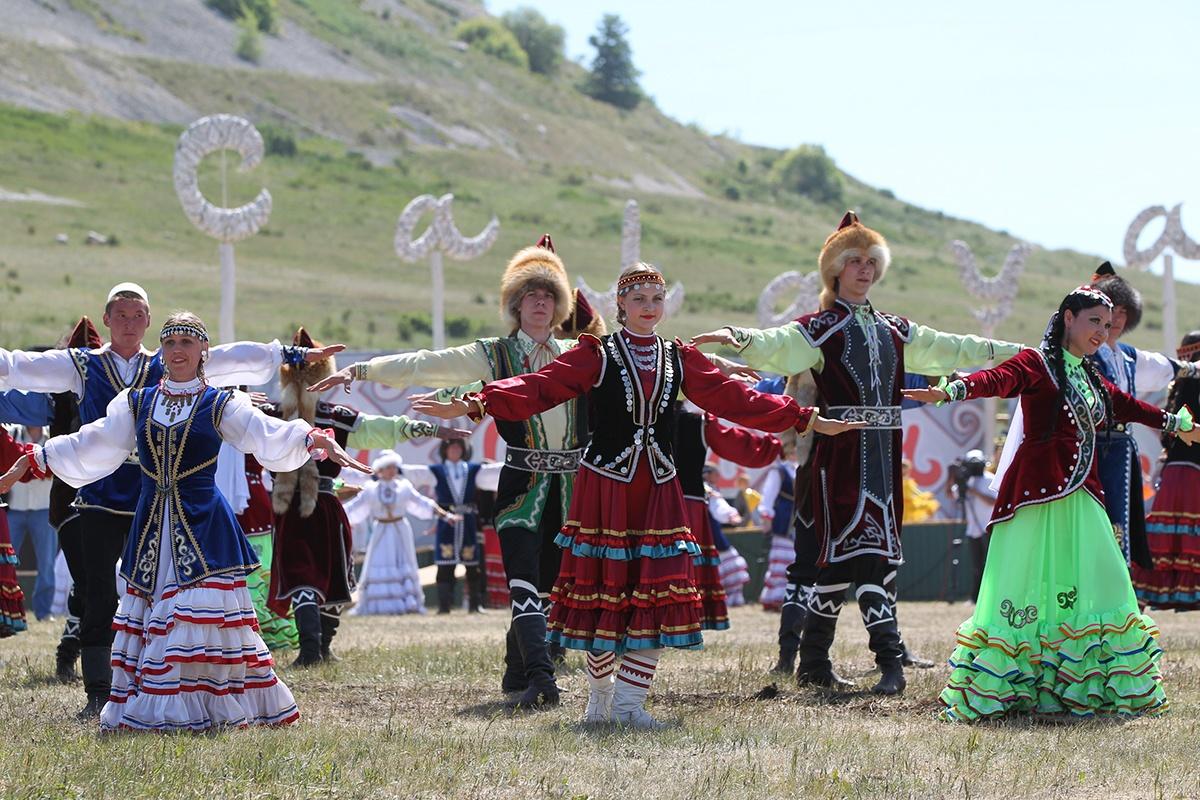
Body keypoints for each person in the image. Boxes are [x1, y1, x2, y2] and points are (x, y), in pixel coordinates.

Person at [414, 262, 862, 727]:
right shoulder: (597, 353)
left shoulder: (679, 357)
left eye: (657, 299)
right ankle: (600, 701)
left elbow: (734, 398)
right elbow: (541, 387)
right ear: (621, 305)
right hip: (604, 486)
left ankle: (628, 704)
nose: (649, 307)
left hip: (659, 491)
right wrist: (478, 401)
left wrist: (803, 418)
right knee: (602, 592)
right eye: (639, 299)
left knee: (654, 591)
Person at [693, 212, 1024, 695]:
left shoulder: (896, 329)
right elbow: (779, 344)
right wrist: (739, 337)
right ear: (835, 270)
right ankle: (889, 664)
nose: (864, 269)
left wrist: (1012, 350)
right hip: (837, 457)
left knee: (855, 561)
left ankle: (813, 662)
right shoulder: (820, 328)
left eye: (871, 261)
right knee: (858, 557)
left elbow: (949, 346)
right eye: (854, 261)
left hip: (884, 457)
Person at [0, 312, 369, 731]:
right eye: (170, 343)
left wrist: (310, 437)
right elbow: (96, 441)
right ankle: (164, 704)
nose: (177, 351)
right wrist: (37, 457)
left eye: (187, 343)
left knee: (199, 616)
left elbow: (261, 431)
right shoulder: (137, 403)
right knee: (161, 615)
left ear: (203, 351)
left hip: (204, 526)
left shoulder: (220, 402)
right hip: (153, 527)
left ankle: (209, 704)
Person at [307, 237, 590, 707]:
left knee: (546, 587)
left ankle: (515, 674)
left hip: (571, 487)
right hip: (522, 484)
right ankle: (543, 680)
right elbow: (428, 363)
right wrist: (360, 372)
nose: (540, 303)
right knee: (523, 577)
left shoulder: (578, 355)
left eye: (548, 296)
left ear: (559, 306)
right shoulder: (494, 354)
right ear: (515, 305)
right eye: (530, 296)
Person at [904, 286, 1200, 720]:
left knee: (1105, 576)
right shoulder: (1036, 363)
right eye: (1093, 321)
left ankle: (1081, 685)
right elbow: (994, 379)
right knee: (1025, 585)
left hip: (1081, 494)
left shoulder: (1087, 372)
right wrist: (951, 391)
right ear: (1067, 318)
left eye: (1106, 323)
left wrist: (1174, 421)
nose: (1102, 331)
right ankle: (1011, 686)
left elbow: (1124, 405)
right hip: (1037, 496)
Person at [263, 328, 464, 666]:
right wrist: (429, 429)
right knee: (327, 576)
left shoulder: (270, 413)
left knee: (307, 575)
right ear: (324, 370)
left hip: (295, 506)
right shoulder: (334, 416)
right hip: (323, 505)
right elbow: (385, 428)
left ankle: (316, 650)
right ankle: (318, 648)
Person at [675, 404, 782, 631]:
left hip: (644, 503)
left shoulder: (633, 413)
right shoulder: (698, 423)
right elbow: (740, 445)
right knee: (683, 569)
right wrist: (777, 440)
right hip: (685, 509)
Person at [343, 450, 458, 615]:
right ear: (380, 469)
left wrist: (445, 515)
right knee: (380, 562)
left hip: (400, 531)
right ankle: (379, 605)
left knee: (403, 562)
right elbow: (354, 508)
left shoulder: (404, 487)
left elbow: (422, 503)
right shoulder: (370, 489)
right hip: (381, 531)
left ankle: (407, 603)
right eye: (388, 467)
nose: (392, 470)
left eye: (394, 467)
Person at [1133, 331, 1200, 609]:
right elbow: (1188, 433)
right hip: (1191, 473)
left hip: (1177, 472)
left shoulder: (1181, 385)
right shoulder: (1192, 385)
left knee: (1165, 541)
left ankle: (1138, 606)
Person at [4, 423, 55, 620]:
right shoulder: (12, 433)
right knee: (5, 563)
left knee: (46, 563)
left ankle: (43, 612)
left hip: (44, 509)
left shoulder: (52, 437)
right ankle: (6, 609)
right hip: (14, 510)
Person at [950, 449, 998, 603]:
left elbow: (994, 501)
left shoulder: (991, 479)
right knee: (976, 566)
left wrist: (973, 491)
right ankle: (975, 597)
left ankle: (991, 597)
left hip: (989, 528)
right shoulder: (966, 481)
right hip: (973, 530)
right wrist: (954, 478)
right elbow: (954, 495)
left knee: (991, 566)